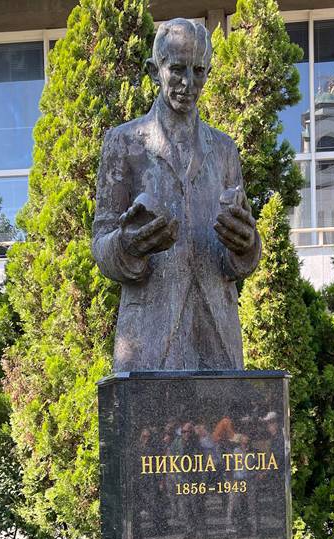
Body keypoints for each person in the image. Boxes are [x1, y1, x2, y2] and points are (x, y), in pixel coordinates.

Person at [92, 18, 261, 372]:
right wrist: (128, 245)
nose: (188, 83)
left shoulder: (224, 149)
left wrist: (246, 247)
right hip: (148, 337)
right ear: (155, 71)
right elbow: (101, 244)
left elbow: (236, 251)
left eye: (199, 71)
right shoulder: (125, 143)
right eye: (177, 69)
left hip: (217, 335)